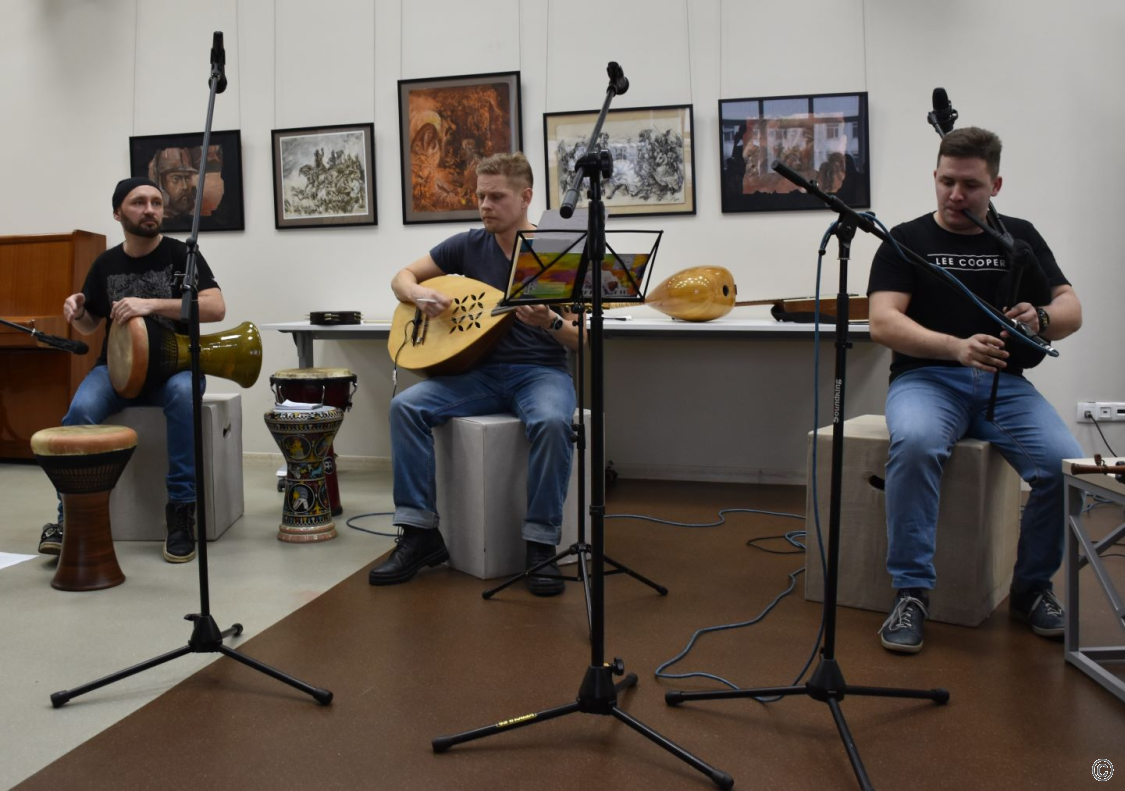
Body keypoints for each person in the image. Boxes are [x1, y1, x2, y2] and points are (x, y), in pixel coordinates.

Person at [867, 127, 1083, 654]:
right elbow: (883, 322)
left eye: (970, 185)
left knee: (1065, 466)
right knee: (916, 445)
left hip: (1004, 386)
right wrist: (954, 347)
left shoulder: (1020, 237)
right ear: (934, 177)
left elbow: (1071, 309)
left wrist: (1042, 317)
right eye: (946, 182)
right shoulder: (906, 240)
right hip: (925, 379)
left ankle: (1031, 589)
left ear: (996, 184)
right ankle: (912, 593)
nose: (956, 195)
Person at [372, 152, 582, 595]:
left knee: (551, 421)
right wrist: (418, 293)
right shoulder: (467, 245)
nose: (484, 205)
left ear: (525, 197)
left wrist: (550, 322)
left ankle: (541, 544)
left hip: (540, 373)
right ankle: (419, 534)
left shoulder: (553, 251)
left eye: (496, 197)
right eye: (480, 196)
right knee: (405, 407)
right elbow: (401, 277)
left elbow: (582, 339)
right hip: (478, 374)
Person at [38, 177, 226, 563]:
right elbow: (92, 326)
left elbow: (215, 308)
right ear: (118, 213)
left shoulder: (181, 255)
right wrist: (77, 312)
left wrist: (152, 304)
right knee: (77, 413)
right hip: (116, 370)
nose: (150, 210)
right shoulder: (106, 263)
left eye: (156, 202)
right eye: (139, 203)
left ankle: (180, 512)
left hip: (174, 368)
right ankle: (69, 516)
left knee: (181, 396)